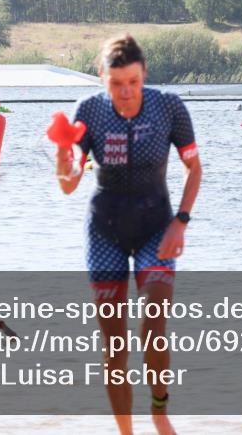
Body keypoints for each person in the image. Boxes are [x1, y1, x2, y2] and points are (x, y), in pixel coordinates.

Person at [57, 34, 201, 435]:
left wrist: (181, 221)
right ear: (102, 78)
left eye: (134, 83)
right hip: (105, 232)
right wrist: (60, 152)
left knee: (152, 326)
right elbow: (69, 183)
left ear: (145, 75)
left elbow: (195, 169)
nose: (126, 93)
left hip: (158, 228)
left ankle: (159, 409)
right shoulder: (88, 111)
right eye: (117, 84)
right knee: (115, 347)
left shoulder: (168, 107)